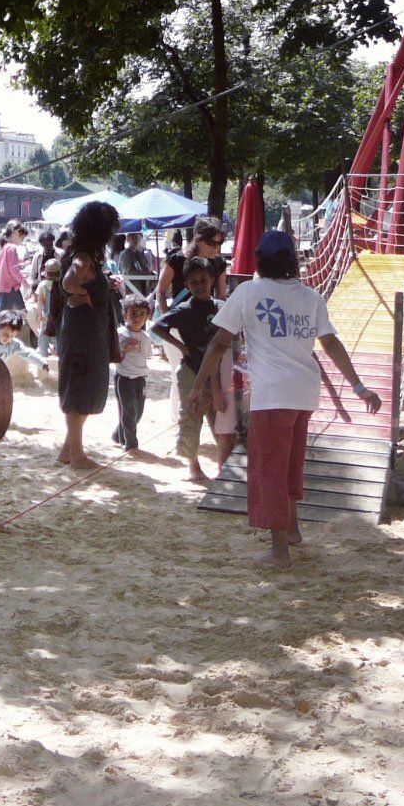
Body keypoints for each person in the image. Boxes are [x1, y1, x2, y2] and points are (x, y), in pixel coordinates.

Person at [188, 231, 381, 565]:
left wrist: (196, 388)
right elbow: (331, 343)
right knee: (291, 465)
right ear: (293, 260)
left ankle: (279, 551)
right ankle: (291, 530)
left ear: (259, 261)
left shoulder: (248, 291)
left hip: (271, 395)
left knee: (269, 471)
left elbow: (219, 343)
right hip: (304, 393)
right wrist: (359, 386)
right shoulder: (310, 296)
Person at [154, 257, 236, 483]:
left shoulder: (221, 307)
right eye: (193, 282)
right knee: (191, 417)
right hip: (191, 370)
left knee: (218, 419)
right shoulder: (183, 309)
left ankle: (223, 467)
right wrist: (180, 346)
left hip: (217, 372)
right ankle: (194, 466)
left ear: (212, 280)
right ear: (186, 285)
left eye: (203, 280)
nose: (199, 285)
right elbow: (156, 327)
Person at [56, 201, 122, 469]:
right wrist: (84, 295)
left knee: (84, 389)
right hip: (82, 333)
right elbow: (69, 282)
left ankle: (67, 450)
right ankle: (77, 456)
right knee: (79, 390)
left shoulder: (85, 256)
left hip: (86, 332)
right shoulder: (83, 257)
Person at [111, 295, 153, 452]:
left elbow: (147, 356)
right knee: (128, 411)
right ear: (125, 315)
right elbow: (113, 357)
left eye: (142, 314)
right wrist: (124, 350)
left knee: (138, 412)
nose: (138, 318)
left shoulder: (145, 337)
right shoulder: (120, 334)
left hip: (140, 379)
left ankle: (118, 434)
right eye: (133, 314)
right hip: (124, 378)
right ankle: (131, 444)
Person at [155, 215, 229, 304]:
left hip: (208, 315)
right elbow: (160, 292)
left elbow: (221, 296)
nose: (216, 247)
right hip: (180, 315)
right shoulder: (176, 261)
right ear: (198, 240)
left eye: (219, 243)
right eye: (211, 243)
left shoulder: (219, 263)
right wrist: (167, 316)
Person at [0, 220, 29, 318]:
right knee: (14, 320)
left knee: (3, 321)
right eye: (22, 237)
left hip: (0, 289)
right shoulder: (11, 248)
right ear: (16, 233)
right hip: (10, 290)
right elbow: (14, 270)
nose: (22, 240)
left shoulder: (2, 249)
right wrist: (25, 283)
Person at [34, 258, 63, 357]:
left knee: (43, 339)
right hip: (59, 318)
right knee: (58, 340)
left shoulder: (43, 285)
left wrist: (39, 315)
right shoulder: (62, 285)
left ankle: (43, 359)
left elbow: (40, 303)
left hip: (46, 318)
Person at [117, 233, 156, 298]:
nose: (136, 240)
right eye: (133, 238)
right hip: (131, 289)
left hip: (142, 286)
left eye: (138, 238)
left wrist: (150, 273)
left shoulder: (139, 253)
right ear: (128, 240)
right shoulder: (126, 254)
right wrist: (147, 273)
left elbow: (145, 269)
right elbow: (129, 272)